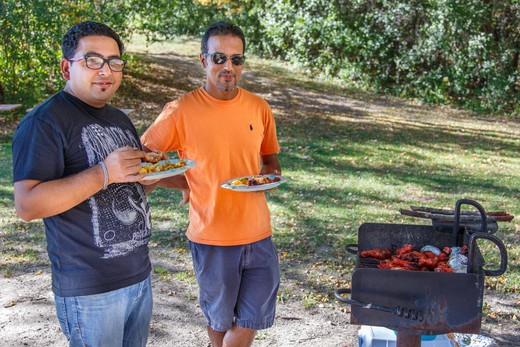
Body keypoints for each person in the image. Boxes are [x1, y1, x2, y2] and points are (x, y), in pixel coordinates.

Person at [12, 21, 158, 347]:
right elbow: (26, 205)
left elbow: (125, 189)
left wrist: (151, 175)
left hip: (138, 275)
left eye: (114, 62)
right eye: (93, 60)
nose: (106, 70)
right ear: (66, 67)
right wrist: (103, 172)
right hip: (90, 289)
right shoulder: (44, 122)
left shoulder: (119, 118)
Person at [141, 21, 282, 347]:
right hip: (211, 237)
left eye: (236, 59)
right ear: (204, 61)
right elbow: (145, 163)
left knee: (251, 319)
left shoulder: (259, 107)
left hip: (259, 234)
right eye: (219, 58)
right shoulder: (180, 111)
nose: (228, 67)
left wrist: (270, 176)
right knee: (219, 321)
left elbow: (271, 161)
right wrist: (184, 182)